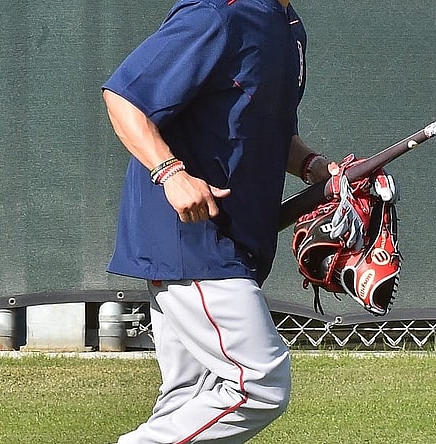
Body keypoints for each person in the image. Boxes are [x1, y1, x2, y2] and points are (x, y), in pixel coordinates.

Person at [101, 0, 331, 442]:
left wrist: (314, 166)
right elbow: (124, 97)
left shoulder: (288, 26)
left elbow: (265, 126)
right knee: (259, 384)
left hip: (233, 236)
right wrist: (171, 173)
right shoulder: (218, 14)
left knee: (190, 398)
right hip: (193, 238)